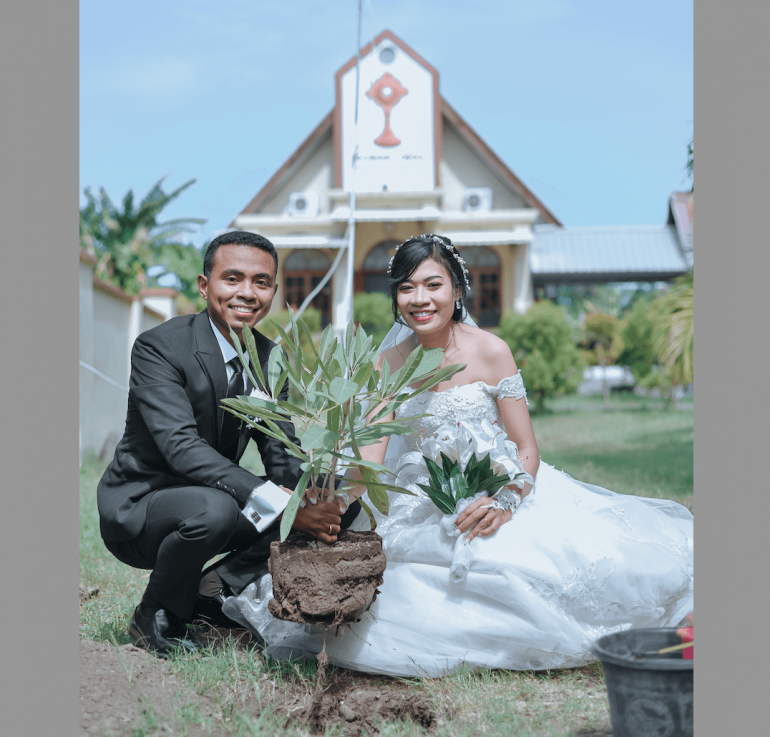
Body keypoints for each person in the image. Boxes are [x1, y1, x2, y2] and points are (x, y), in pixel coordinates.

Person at [226, 234, 694, 677]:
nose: (420, 299)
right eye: (406, 288)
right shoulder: (386, 363)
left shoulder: (492, 352)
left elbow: (527, 448)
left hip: (500, 488)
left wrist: (507, 501)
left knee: (550, 564)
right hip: (419, 498)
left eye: (433, 284)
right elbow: (370, 458)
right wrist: (333, 499)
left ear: (457, 289)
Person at [97, 230, 359, 658]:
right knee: (216, 508)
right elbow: (180, 447)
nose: (247, 292)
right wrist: (278, 501)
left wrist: (317, 498)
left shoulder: (269, 358)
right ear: (205, 286)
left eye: (260, 282)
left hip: (213, 501)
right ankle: (154, 614)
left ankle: (211, 590)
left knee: (339, 506)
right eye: (232, 278)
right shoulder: (160, 348)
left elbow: (280, 454)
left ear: (273, 291)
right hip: (143, 509)